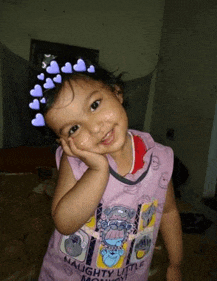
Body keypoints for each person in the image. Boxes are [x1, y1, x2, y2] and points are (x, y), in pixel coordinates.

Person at [29, 57, 183, 280]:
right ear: (63, 142)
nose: (94, 128)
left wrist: (175, 264)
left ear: (116, 92)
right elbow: (64, 223)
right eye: (73, 128)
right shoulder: (75, 162)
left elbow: (168, 212)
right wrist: (98, 170)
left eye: (94, 105)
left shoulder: (158, 159)